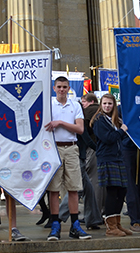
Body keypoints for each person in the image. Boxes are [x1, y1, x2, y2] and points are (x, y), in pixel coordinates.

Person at [45, 76, 90, 241]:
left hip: (71, 147)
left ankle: (75, 224)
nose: (62, 90)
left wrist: (61, 123)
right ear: (54, 88)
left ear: (69, 88)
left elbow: (80, 128)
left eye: (65, 87)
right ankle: (55, 223)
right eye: (59, 87)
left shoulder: (75, 105)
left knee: (73, 187)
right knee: (54, 188)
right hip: (54, 147)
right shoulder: (48, 104)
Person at [90, 94, 131, 237]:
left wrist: (120, 128)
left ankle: (117, 223)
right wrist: (121, 130)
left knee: (122, 191)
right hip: (107, 158)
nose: (107, 106)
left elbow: (119, 137)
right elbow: (108, 138)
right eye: (105, 103)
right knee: (112, 191)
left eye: (110, 104)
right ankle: (110, 226)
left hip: (117, 158)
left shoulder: (113, 120)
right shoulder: (99, 120)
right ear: (101, 105)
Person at [80, 93, 105, 215]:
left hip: (94, 148)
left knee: (93, 181)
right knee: (101, 181)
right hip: (105, 149)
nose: (82, 105)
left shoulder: (89, 111)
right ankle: (103, 211)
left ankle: (93, 213)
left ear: (91, 102)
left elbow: (84, 131)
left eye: (83, 102)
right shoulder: (102, 112)